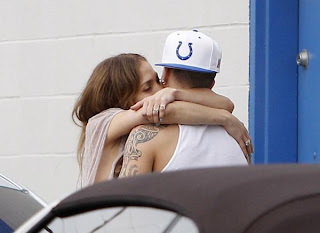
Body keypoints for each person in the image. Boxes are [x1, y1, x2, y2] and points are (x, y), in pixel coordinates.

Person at [73, 53, 250, 187]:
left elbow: (225, 103)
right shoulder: (102, 123)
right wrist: (224, 119)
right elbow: (168, 111)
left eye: (158, 80)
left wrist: (175, 92)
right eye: (148, 87)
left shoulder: (143, 125)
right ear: (122, 97)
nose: (160, 89)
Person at [119, 30, 251, 178]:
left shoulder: (144, 137)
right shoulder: (238, 136)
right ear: (212, 83)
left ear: (166, 74)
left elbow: (125, 200)